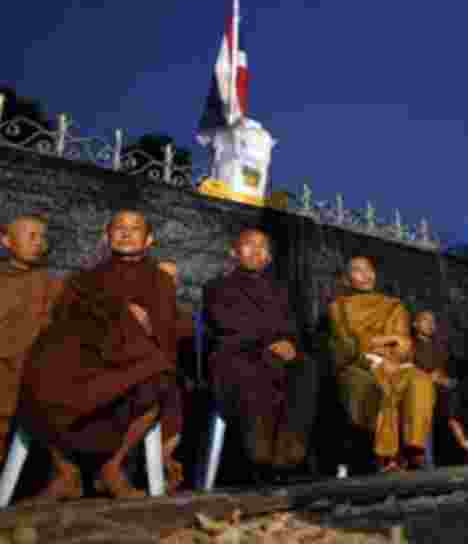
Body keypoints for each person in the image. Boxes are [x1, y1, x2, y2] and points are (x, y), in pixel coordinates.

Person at [20, 210, 185, 498]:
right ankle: (66, 472)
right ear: (107, 236)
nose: (126, 233)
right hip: (87, 353)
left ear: (149, 240)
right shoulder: (84, 278)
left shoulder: (160, 279)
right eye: (119, 228)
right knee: (40, 371)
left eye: (135, 229)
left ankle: (111, 467)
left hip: (132, 358)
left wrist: (142, 323)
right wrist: (116, 313)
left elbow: (169, 328)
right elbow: (64, 317)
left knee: (157, 378)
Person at [202, 229, 319, 472]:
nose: (256, 251)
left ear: (269, 256)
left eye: (263, 247)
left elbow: (292, 327)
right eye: (249, 245)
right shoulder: (218, 287)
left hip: (278, 355)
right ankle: (259, 455)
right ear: (234, 252)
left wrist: (290, 344)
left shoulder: (281, 291)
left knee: (305, 367)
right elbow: (227, 324)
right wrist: (269, 342)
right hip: (236, 355)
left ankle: (288, 455)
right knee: (260, 370)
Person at [328, 256, 435, 472]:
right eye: (358, 271)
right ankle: (386, 457)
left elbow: (404, 344)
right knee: (381, 385)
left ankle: (413, 450)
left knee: (420, 380)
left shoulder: (394, 306)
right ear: (348, 279)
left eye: (369, 270)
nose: (366, 275)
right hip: (360, 366)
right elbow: (345, 346)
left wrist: (378, 345)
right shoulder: (338, 307)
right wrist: (376, 357)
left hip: (396, 363)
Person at [0, 216, 72, 500]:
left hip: (28, 369)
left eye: (42, 237)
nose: (39, 243)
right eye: (31, 236)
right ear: (6, 241)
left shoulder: (51, 285)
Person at [411, 310, 468, 464]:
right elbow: (411, 369)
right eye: (425, 320)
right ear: (415, 324)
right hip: (424, 388)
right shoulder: (411, 345)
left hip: (447, 386)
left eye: (433, 321)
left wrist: (448, 379)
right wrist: (432, 378)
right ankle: (466, 445)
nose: (430, 324)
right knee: (449, 400)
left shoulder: (440, 345)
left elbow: (451, 367)